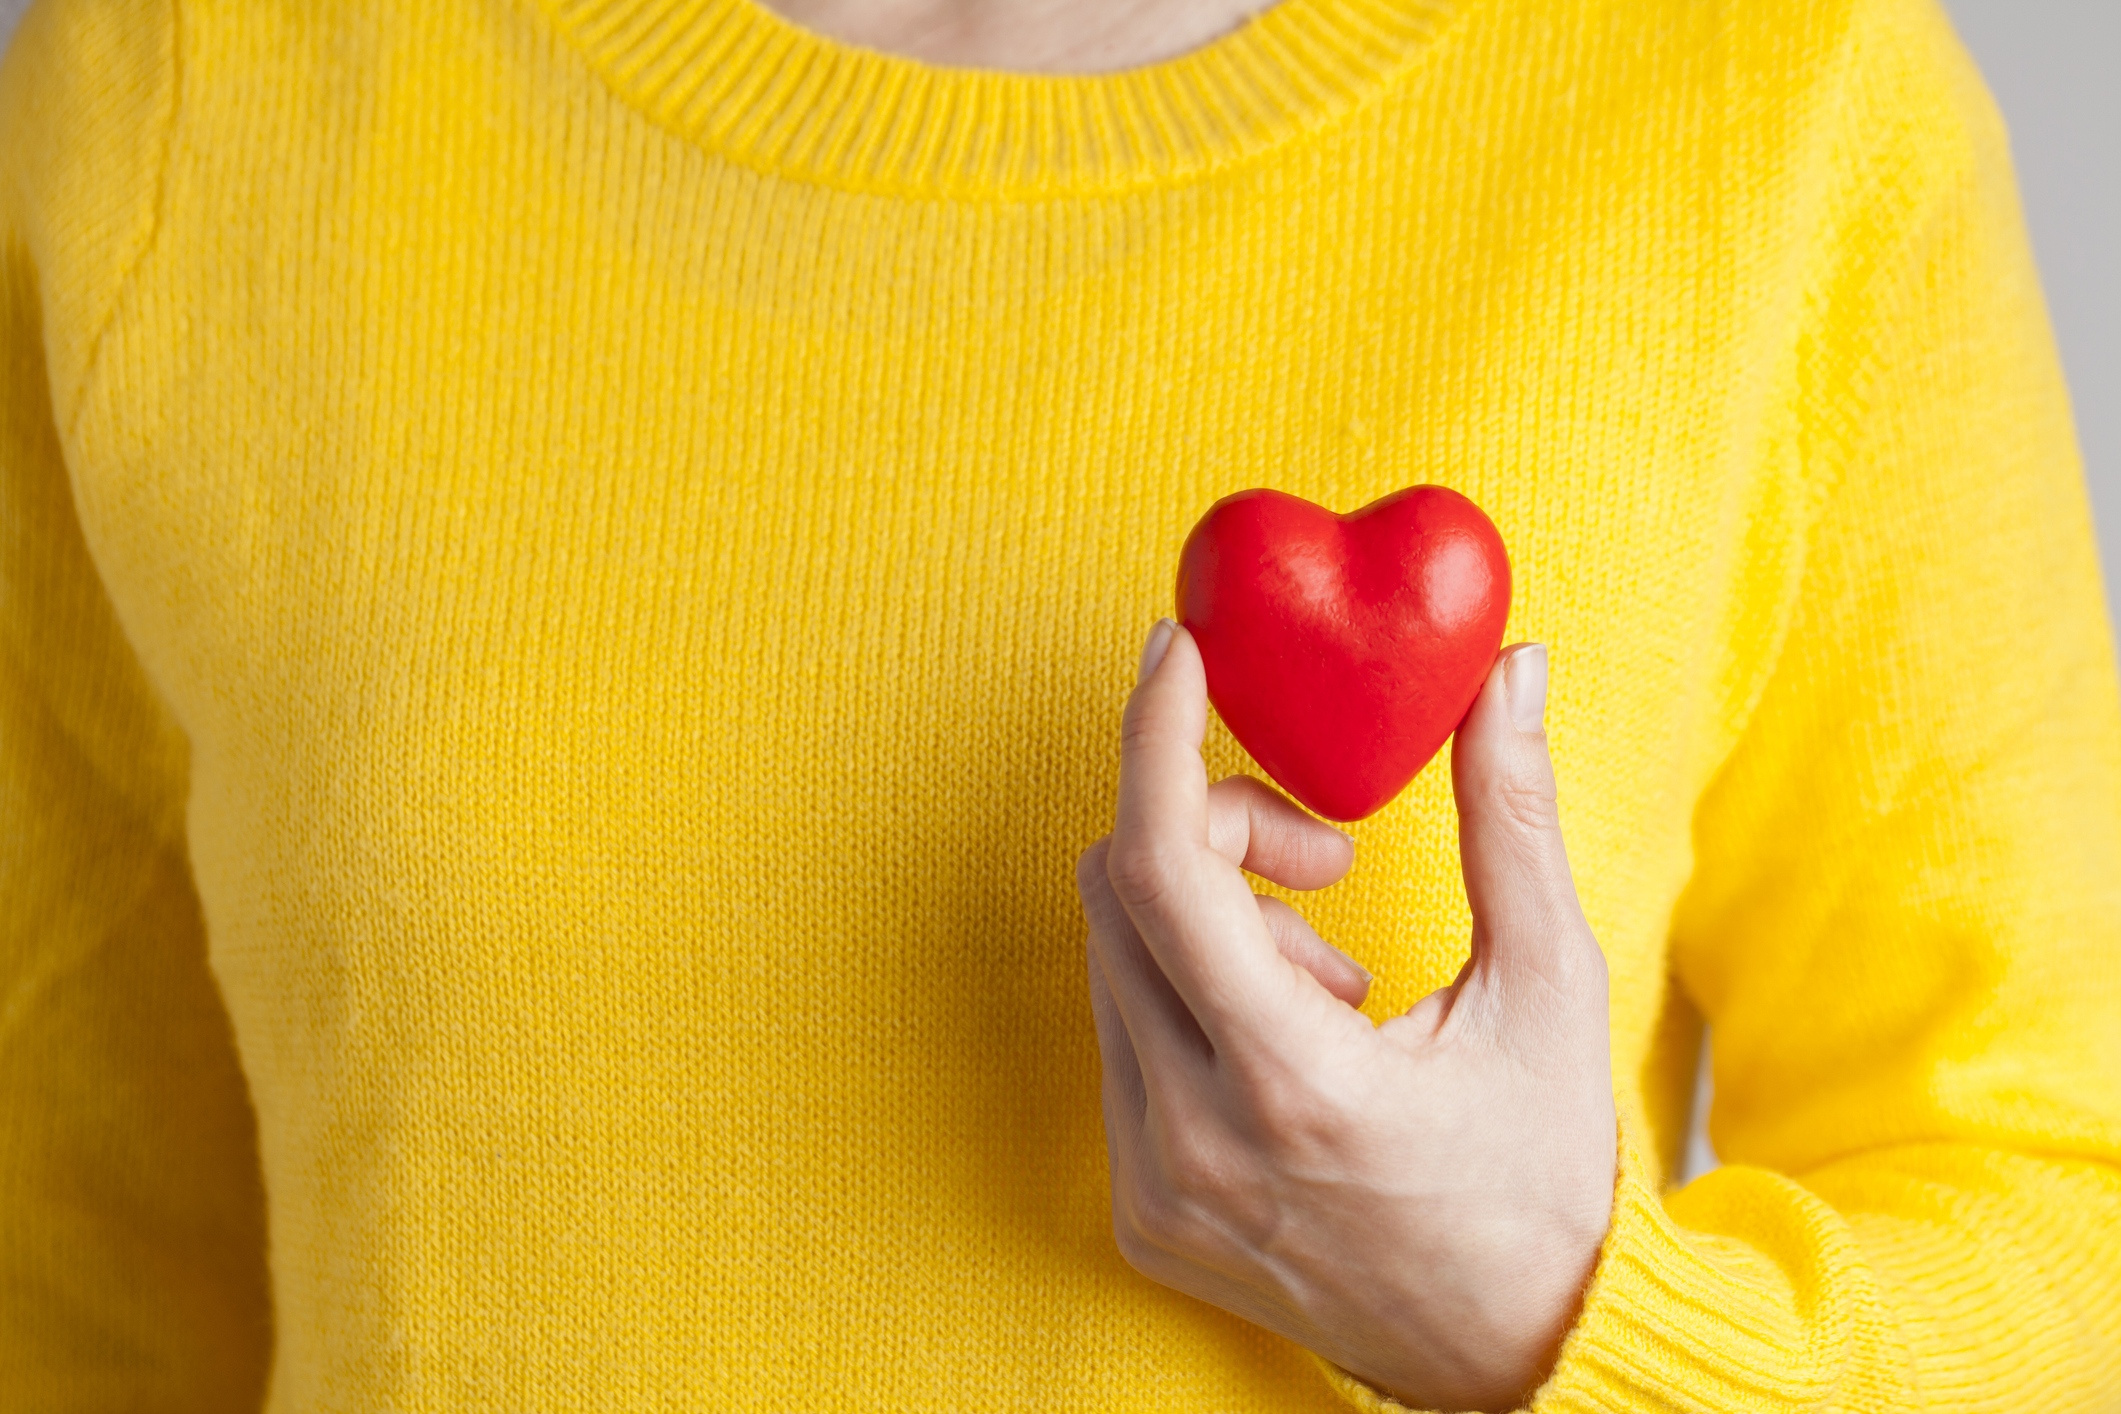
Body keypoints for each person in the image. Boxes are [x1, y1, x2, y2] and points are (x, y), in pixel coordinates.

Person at [0, 0, 2115, 1407]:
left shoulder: (1760, 98)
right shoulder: (198, 81)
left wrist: (1547, 1313)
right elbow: (72, 1259)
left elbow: (2067, 1227)